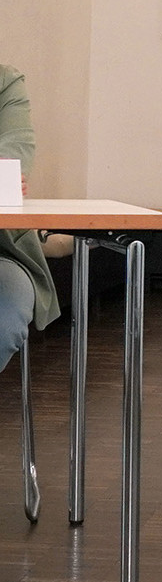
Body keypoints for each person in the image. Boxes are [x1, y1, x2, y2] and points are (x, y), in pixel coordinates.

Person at [0, 65, 59, 373]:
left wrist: (5, 173)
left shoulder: (5, 82)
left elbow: (12, 157)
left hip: (3, 250)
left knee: (6, 313)